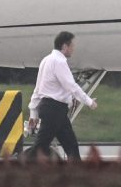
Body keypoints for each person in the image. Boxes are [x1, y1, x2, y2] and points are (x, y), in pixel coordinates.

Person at [27, 31, 98, 160]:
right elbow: (71, 86)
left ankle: (78, 175)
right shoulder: (59, 62)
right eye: (72, 46)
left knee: (70, 145)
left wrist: (33, 112)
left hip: (52, 109)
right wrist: (89, 102)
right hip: (54, 109)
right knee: (41, 147)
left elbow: (38, 89)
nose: (73, 49)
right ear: (65, 46)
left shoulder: (46, 60)